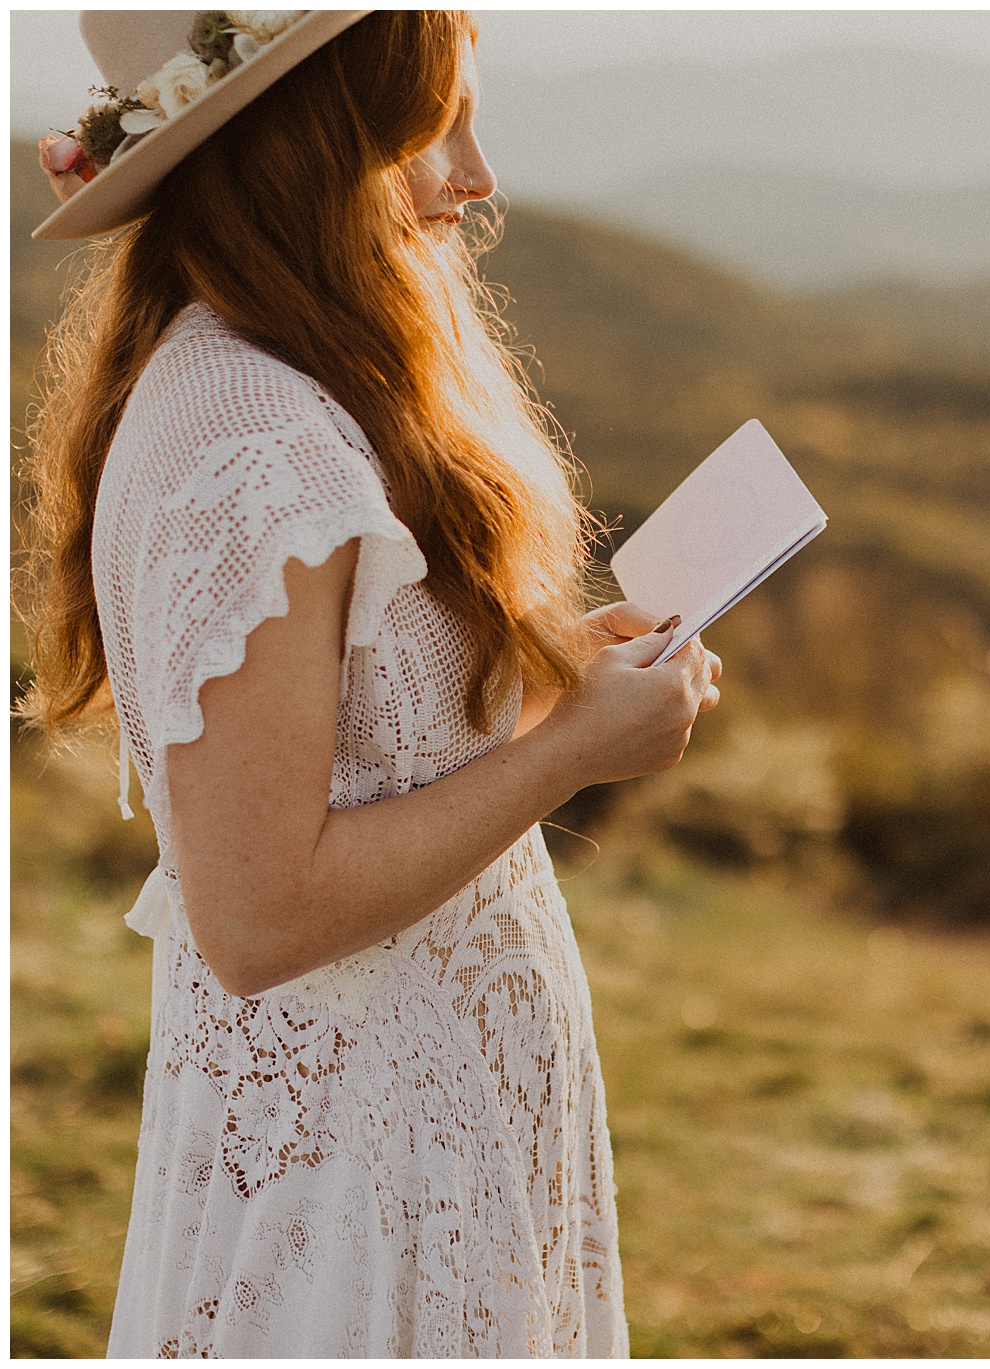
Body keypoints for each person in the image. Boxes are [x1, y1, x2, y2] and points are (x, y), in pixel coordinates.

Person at [20, 10, 722, 1356]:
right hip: (350, 1195)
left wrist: (561, 671)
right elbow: (260, 912)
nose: (478, 173)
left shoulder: (306, 383)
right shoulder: (245, 445)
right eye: (429, 128)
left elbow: (370, 743)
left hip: (438, 1151)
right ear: (305, 149)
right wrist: (569, 752)